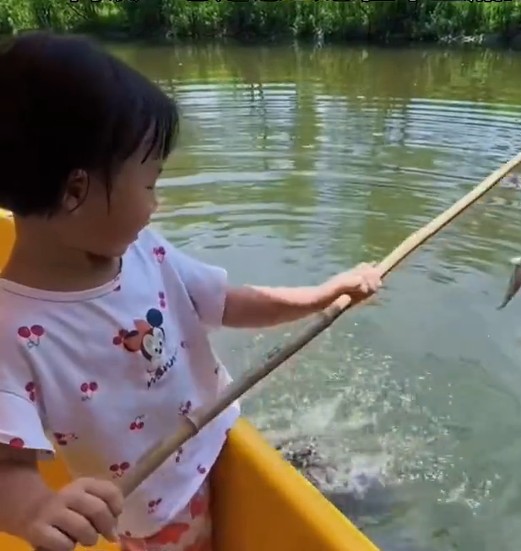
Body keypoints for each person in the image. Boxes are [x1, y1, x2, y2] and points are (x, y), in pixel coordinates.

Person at [0, 31, 382, 551]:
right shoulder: (12, 331)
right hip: (161, 513)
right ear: (75, 192)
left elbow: (226, 302)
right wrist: (34, 507)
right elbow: (7, 466)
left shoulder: (142, 251)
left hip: (218, 435)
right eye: (151, 183)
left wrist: (320, 296)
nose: (156, 204)